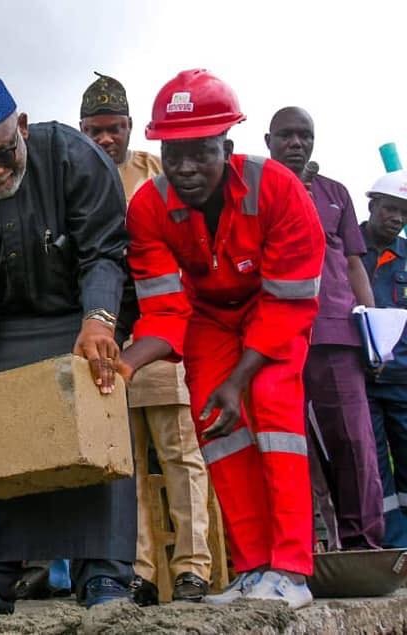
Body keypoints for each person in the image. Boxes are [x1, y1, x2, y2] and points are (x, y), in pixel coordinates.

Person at [119, 69, 325, 609]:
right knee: (218, 427)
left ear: (226, 147)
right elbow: (165, 309)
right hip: (210, 319)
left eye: (201, 153)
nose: (186, 168)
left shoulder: (277, 188)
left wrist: (240, 379)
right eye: (174, 153)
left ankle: (291, 571)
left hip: (272, 313)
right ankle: (254, 565)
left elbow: (289, 300)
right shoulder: (147, 208)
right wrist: (125, 365)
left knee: (274, 416)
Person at [0, 77, 135, 614]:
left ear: (22, 127)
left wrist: (98, 322)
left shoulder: (77, 156)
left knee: (97, 417)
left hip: (79, 314)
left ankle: (105, 578)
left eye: (2, 154)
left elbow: (103, 252)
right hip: (5, 325)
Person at [80, 72, 212, 603]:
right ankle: (137, 572)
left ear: (131, 126)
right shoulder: (76, 178)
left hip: (162, 334)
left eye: (114, 128)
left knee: (180, 453)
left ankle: (192, 567)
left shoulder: (159, 174)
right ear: (81, 130)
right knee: (123, 464)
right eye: (95, 130)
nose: (106, 139)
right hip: (101, 344)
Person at [266, 106, 384, 550]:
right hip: (275, 336)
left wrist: (371, 332)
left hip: (336, 333)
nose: (297, 143)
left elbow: (354, 262)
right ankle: (304, 550)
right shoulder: (253, 190)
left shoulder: (335, 192)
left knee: (355, 442)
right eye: (287, 136)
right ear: (269, 141)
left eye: (305, 136)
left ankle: (363, 546)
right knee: (288, 446)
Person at [359, 170, 407, 548]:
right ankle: (392, 544)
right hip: (360, 380)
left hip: (403, 380)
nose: (396, 218)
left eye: (403, 213)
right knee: (373, 466)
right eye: (390, 209)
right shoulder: (349, 249)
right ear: (372, 206)